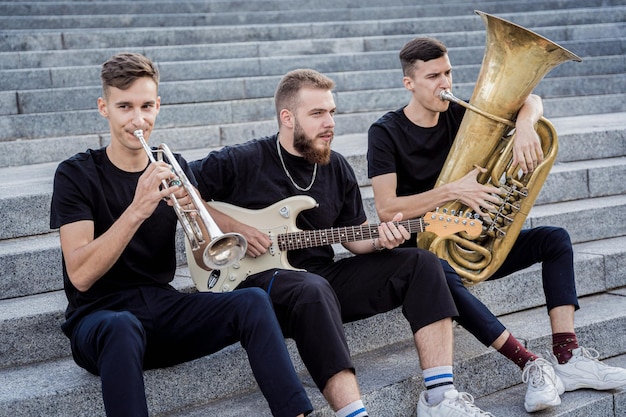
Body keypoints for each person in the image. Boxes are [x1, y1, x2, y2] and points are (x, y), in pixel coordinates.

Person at [190, 68, 496, 417]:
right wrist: (236, 227)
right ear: (287, 118)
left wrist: (384, 240)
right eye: (317, 114)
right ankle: (353, 413)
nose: (329, 123)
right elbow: (178, 185)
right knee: (312, 287)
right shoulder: (244, 159)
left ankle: (440, 397)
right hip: (255, 285)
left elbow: (358, 238)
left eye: (332, 112)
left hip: (320, 282)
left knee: (421, 263)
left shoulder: (335, 167)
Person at [367, 37, 626, 413]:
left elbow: (531, 98)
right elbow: (387, 206)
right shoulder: (386, 131)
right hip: (423, 249)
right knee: (436, 271)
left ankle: (568, 359)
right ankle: (529, 363)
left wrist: (525, 125)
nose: (446, 83)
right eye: (433, 76)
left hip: (471, 237)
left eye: (449, 72)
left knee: (554, 240)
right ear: (409, 82)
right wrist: (453, 190)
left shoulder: (460, 113)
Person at [49, 52, 313, 417]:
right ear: (103, 107)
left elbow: (209, 254)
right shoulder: (76, 175)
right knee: (121, 326)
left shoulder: (172, 166)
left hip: (160, 308)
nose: (137, 120)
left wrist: (198, 221)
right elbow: (80, 274)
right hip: (98, 319)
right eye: (124, 106)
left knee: (252, 301)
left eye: (145, 106)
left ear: (158, 106)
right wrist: (137, 209)